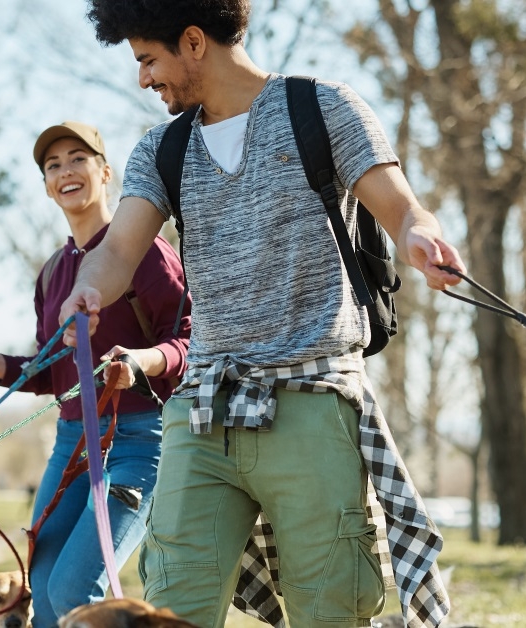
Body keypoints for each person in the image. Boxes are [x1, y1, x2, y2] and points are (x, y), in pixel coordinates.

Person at [56, 3, 466, 628]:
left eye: (148, 59)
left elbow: (404, 208)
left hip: (311, 404)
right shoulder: (163, 148)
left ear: (193, 41)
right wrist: (89, 289)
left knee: (329, 610)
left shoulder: (323, 109)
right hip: (203, 412)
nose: (143, 78)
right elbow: (115, 252)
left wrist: (419, 236)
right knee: (167, 609)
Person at [0, 121, 191, 628]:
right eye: (52, 165)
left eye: (77, 158)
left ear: (105, 172)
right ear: (45, 186)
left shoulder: (145, 252)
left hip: (136, 442)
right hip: (69, 445)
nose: (65, 172)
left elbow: (192, 342)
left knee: (72, 591)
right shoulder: (52, 273)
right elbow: (53, 367)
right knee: (41, 586)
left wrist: (141, 362)